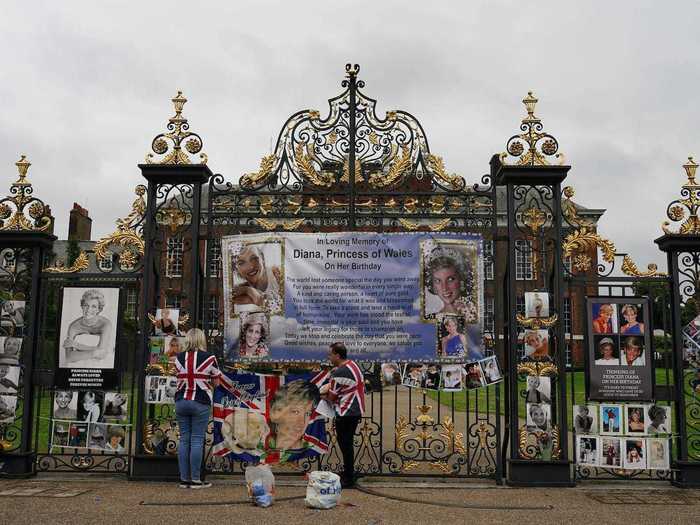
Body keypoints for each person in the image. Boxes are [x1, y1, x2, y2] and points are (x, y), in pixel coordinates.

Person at [173, 328, 222, 489]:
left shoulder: (178, 358)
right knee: (196, 440)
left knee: (184, 439)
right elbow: (217, 383)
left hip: (181, 401)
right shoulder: (210, 358)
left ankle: (184, 479)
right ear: (202, 340)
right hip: (200, 401)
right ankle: (195, 480)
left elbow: (177, 377)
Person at [323, 342, 365, 489]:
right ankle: (349, 472)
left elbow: (332, 397)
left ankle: (348, 477)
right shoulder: (353, 365)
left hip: (346, 411)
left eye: (330, 354)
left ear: (337, 355)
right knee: (348, 443)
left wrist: (322, 395)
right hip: (356, 409)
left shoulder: (338, 373)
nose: (329, 357)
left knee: (345, 444)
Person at [62, 289, 113, 367]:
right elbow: (69, 357)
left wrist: (76, 345)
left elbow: (102, 354)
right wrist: (94, 352)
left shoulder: (105, 324)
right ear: (82, 306)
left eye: (94, 306)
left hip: (101, 365)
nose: (89, 310)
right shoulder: (74, 326)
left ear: (99, 309)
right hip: (77, 365)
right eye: (86, 305)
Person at [269, 380, 320, 455]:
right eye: (295, 412)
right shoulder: (257, 443)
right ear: (276, 412)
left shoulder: (311, 448)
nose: (302, 422)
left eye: (307, 414)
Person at [425, 250, 477, 319]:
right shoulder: (430, 319)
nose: (444, 288)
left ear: (461, 280)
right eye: (438, 281)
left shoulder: (476, 315)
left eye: (450, 279)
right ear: (433, 286)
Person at [231, 245, 282, 312]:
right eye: (241, 263)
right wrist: (248, 290)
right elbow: (264, 304)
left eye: (254, 258)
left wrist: (247, 290)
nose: (251, 267)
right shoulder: (240, 290)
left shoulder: (276, 272)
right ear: (236, 270)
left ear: (262, 259)